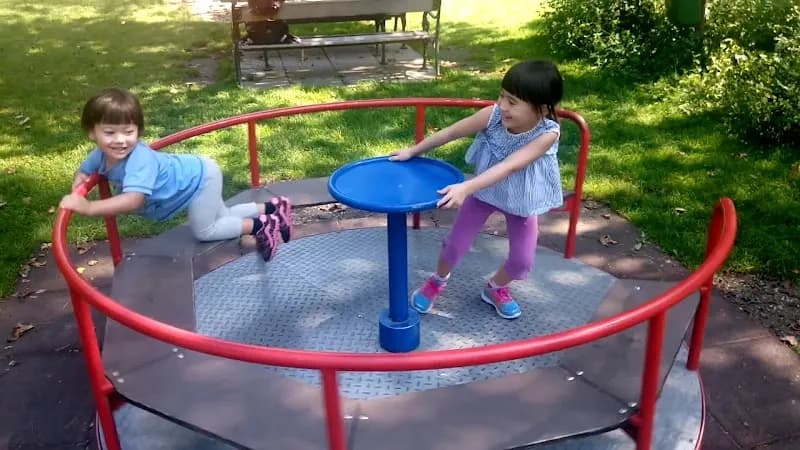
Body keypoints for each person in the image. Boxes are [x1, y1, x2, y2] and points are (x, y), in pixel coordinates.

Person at [389, 60, 564, 319]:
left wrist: (466, 187)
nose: (503, 105)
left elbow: (508, 167)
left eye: (513, 102)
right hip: (484, 194)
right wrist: (413, 151)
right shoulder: (492, 116)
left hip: (522, 201)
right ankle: (438, 280)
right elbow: (451, 132)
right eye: (502, 96)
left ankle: (495, 288)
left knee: (522, 262)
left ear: (540, 108)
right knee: (454, 246)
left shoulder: (547, 134)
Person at [59, 87, 292, 261]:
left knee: (205, 230)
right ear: (92, 133)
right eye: (109, 132)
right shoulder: (99, 155)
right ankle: (275, 208)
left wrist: (89, 208)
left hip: (199, 180)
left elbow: (133, 200)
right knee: (223, 215)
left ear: (138, 131)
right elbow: (85, 170)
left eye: (128, 132)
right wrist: (78, 181)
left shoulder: (139, 159)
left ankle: (261, 225)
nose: (120, 140)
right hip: (198, 172)